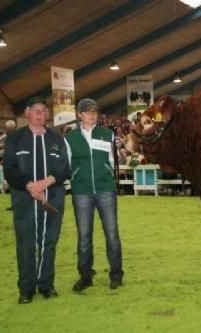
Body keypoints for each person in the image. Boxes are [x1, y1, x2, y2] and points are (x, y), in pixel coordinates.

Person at [3, 96, 70, 304]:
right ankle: (26, 288)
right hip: (24, 198)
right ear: (27, 113)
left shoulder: (57, 139)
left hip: (53, 198)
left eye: (44, 111)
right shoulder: (15, 139)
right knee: (26, 243)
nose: (41, 115)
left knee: (49, 242)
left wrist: (45, 183)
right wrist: (31, 186)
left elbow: (65, 169)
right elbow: (10, 169)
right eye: (37, 110)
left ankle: (46, 284)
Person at [65, 98, 124, 292]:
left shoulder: (107, 134)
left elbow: (112, 160)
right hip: (81, 191)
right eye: (88, 112)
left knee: (112, 234)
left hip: (105, 189)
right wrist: (74, 177)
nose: (93, 115)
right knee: (84, 236)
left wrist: (109, 175)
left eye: (95, 111)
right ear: (80, 115)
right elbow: (67, 164)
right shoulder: (70, 137)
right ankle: (85, 276)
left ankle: (116, 275)